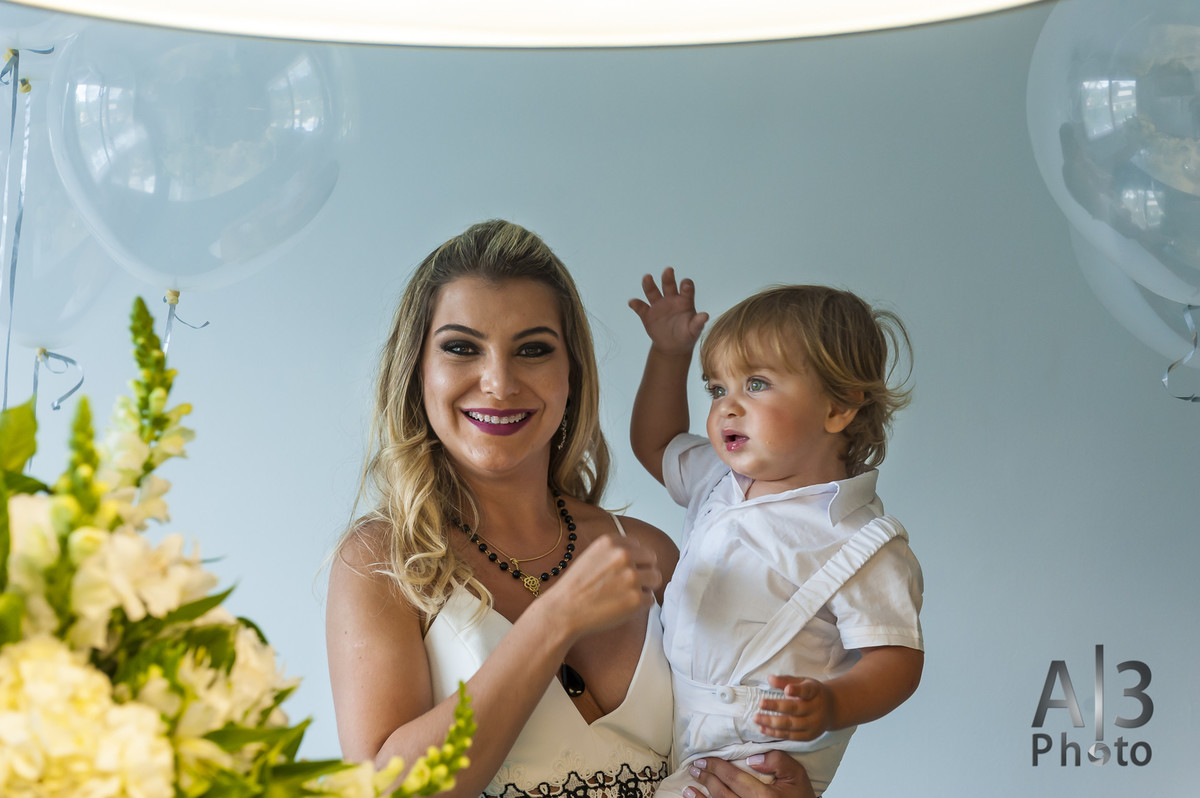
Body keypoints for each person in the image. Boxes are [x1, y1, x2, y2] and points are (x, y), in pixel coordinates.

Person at [325, 221, 817, 798]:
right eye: (462, 347)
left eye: (533, 350)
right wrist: (555, 620)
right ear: (417, 371)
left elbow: (739, 730)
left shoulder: (650, 550)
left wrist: (780, 789)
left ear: (571, 375)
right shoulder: (382, 563)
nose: (500, 383)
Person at [628, 270, 925, 797]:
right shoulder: (719, 479)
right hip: (673, 717)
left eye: (756, 384)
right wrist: (668, 355)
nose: (726, 406)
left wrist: (832, 704)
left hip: (752, 758)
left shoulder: (861, 541)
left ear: (838, 407)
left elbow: (897, 660)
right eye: (717, 388)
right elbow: (657, 442)